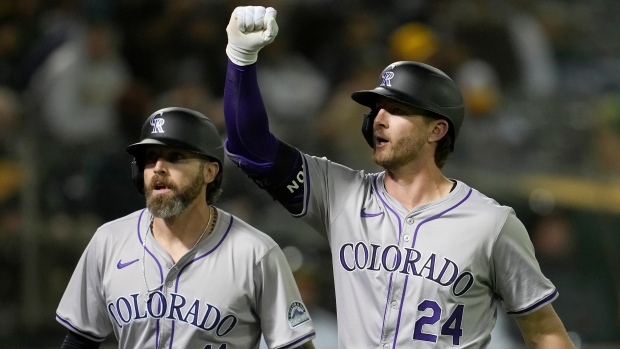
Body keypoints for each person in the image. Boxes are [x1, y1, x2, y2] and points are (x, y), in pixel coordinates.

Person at [222, 5, 575, 349]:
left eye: (398, 110)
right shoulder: (340, 194)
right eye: (377, 109)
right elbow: (249, 148)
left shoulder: (491, 225)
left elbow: (545, 332)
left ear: (437, 130)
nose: (379, 118)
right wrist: (241, 60)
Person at [55, 107, 316, 349]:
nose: (158, 167)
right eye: (150, 158)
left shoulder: (255, 254)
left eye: (175, 157)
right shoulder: (109, 241)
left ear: (210, 172)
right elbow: (79, 341)